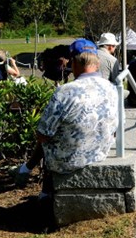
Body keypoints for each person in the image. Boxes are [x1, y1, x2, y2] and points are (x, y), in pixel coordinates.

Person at [13, 39, 118, 195]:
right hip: (99, 152)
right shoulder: (112, 88)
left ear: (74, 63)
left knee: (50, 138)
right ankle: (28, 173)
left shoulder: (65, 92)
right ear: (96, 63)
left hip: (68, 161)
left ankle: (35, 182)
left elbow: (43, 134)